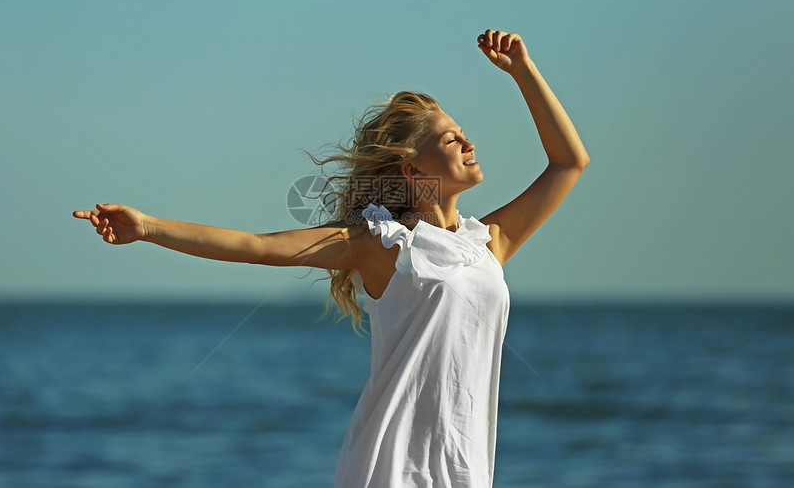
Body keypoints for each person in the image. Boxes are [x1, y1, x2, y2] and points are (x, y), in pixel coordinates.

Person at [73, 29, 589, 487]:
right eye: (451, 138)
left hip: (467, 470)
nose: (468, 141)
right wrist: (147, 228)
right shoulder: (383, 244)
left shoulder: (489, 242)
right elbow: (256, 247)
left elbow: (569, 162)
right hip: (392, 468)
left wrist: (524, 70)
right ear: (413, 171)